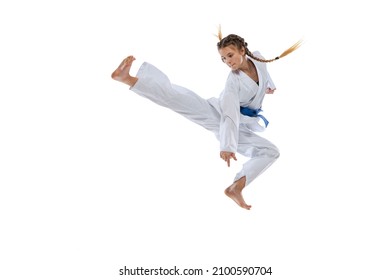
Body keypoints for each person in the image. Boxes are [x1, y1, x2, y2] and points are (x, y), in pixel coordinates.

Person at [111, 31, 301, 210]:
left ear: (243, 51)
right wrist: (227, 146)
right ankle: (127, 79)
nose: (227, 61)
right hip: (219, 117)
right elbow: (230, 115)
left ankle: (236, 187)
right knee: (179, 99)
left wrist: (268, 86)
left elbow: (263, 72)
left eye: (230, 55)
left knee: (270, 151)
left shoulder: (257, 59)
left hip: (240, 125)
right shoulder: (233, 82)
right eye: (223, 58)